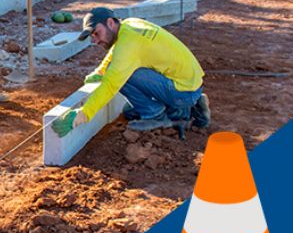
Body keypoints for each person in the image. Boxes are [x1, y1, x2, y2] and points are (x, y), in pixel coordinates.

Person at [51, 7, 210, 138]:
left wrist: (83, 114)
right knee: (125, 95)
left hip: (182, 92)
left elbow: (111, 84)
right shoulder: (130, 25)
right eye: (92, 37)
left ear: (110, 23)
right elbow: (116, 51)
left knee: (122, 74)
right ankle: (193, 106)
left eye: (97, 33)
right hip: (190, 84)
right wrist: (100, 71)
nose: (95, 41)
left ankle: (155, 115)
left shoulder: (129, 44)